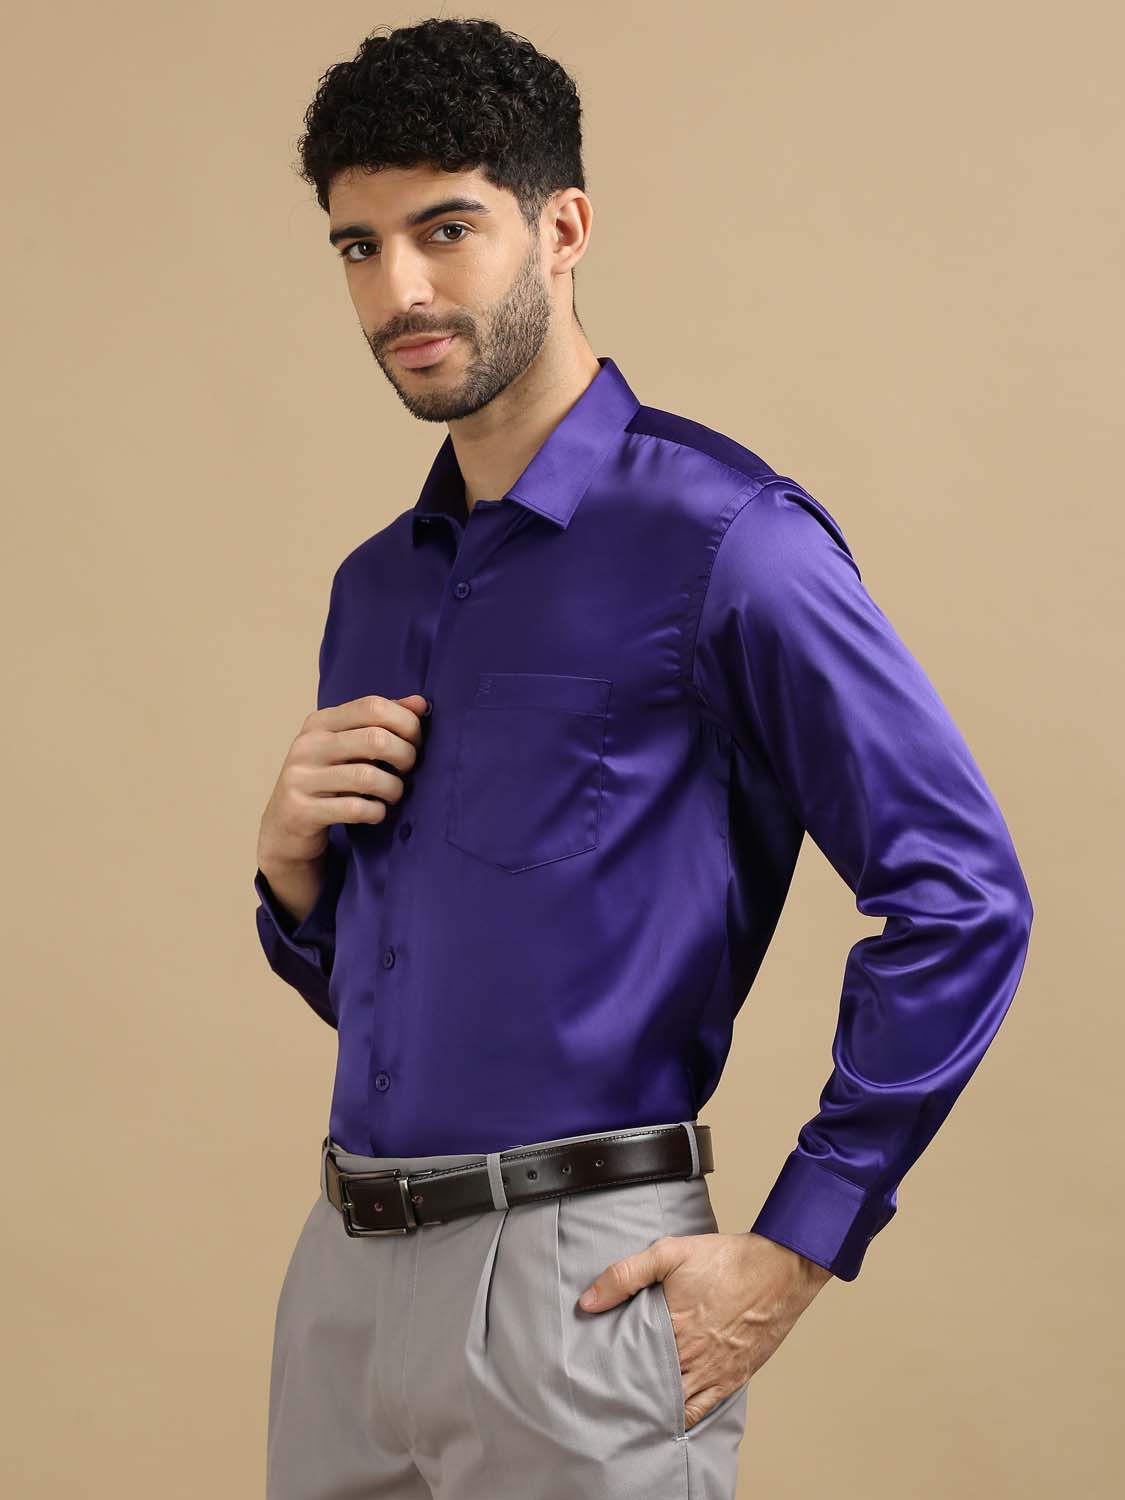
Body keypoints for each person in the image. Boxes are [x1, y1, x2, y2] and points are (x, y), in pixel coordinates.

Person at [252, 17, 1034, 1500]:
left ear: (562, 229)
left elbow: (963, 895)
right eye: (359, 245)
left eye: (445, 229)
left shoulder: (727, 540)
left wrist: (799, 1243)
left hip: (579, 1298)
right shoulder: (376, 588)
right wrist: (294, 884)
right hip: (341, 1292)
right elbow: (442, 994)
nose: (398, 290)